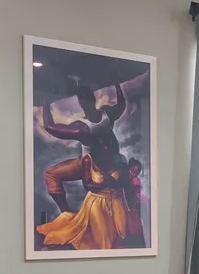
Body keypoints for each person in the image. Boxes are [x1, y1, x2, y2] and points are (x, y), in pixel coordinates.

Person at [35, 81, 140, 251]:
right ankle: (67, 215)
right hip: (98, 164)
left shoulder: (82, 128)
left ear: (83, 102)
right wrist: (117, 84)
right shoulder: (105, 116)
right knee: (52, 173)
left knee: (51, 174)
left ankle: (67, 215)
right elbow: (120, 105)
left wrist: (45, 101)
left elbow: (50, 127)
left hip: (99, 165)